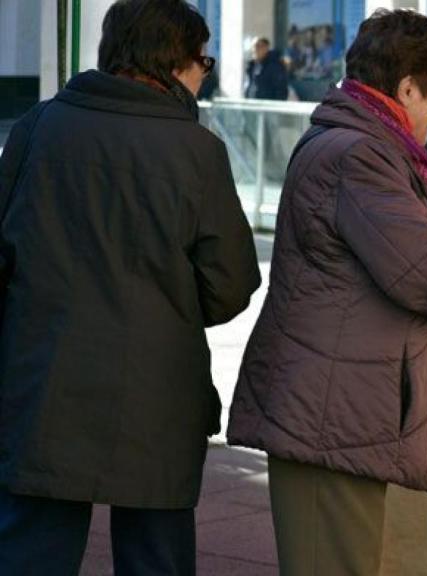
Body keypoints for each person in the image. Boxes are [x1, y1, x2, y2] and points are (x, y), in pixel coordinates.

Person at [227, 8, 427, 576]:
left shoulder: (365, 145)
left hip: (340, 405)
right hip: (330, 412)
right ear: (406, 88)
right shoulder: (358, 154)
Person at [0, 0, 260, 574]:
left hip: (42, 379)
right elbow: (231, 285)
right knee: (156, 554)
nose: (203, 75)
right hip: (156, 391)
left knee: (31, 549)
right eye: (204, 61)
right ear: (175, 64)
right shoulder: (197, 152)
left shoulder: (37, 128)